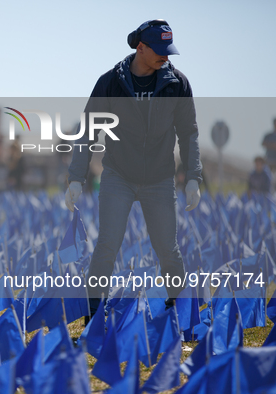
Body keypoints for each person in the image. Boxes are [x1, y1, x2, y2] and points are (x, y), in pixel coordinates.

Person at [65, 20, 203, 319]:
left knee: (167, 249)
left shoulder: (177, 84)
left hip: (159, 179)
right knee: (107, 245)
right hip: (119, 176)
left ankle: (178, 311)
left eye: (170, 51)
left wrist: (193, 177)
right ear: (141, 48)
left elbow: (189, 133)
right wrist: (76, 177)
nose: (166, 57)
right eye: (160, 50)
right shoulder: (110, 83)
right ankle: (93, 313)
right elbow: (89, 130)